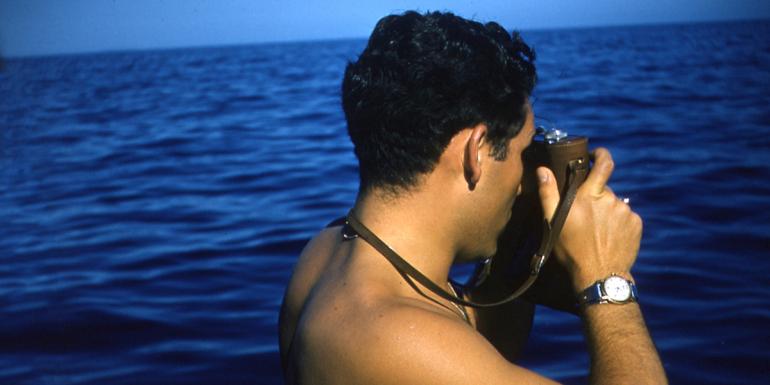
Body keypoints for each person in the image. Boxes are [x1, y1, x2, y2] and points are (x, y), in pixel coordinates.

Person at [279, 11, 667, 385]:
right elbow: (439, 351)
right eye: (521, 153)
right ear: (476, 151)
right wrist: (607, 280)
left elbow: (477, 346)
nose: (521, 181)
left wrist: (526, 243)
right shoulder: (396, 338)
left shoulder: (327, 250)